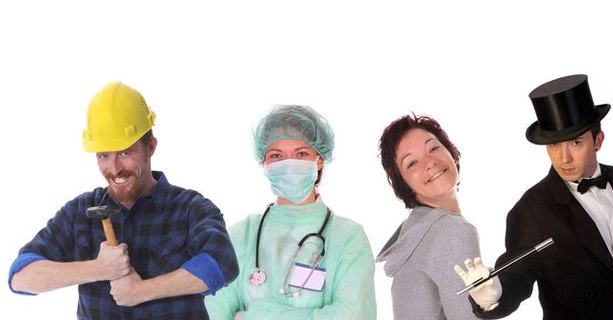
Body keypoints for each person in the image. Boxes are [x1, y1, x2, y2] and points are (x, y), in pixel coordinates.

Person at [9, 82, 238, 319]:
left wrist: (142, 291)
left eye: (125, 153)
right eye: (104, 156)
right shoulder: (79, 212)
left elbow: (222, 263)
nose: (115, 168)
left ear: (150, 147)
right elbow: (21, 277)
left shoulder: (190, 208)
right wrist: (97, 269)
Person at [460, 74, 613, 319]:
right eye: (554, 145)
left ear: (598, 140)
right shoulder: (531, 209)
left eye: (575, 143)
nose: (563, 158)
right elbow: (518, 275)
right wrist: (494, 296)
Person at [205, 105, 376, 319]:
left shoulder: (348, 238)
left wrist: (251, 316)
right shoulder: (241, 236)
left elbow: (353, 315)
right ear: (264, 163)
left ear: (319, 159)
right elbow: (211, 313)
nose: (288, 164)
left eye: (301, 154)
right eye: (277, 155)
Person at [374, 114, 490, 319]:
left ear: (451, 152)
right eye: (411, 163)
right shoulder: (453, 230)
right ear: (404, 185)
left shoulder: (414, 230)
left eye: (434, 148)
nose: (429, 162)